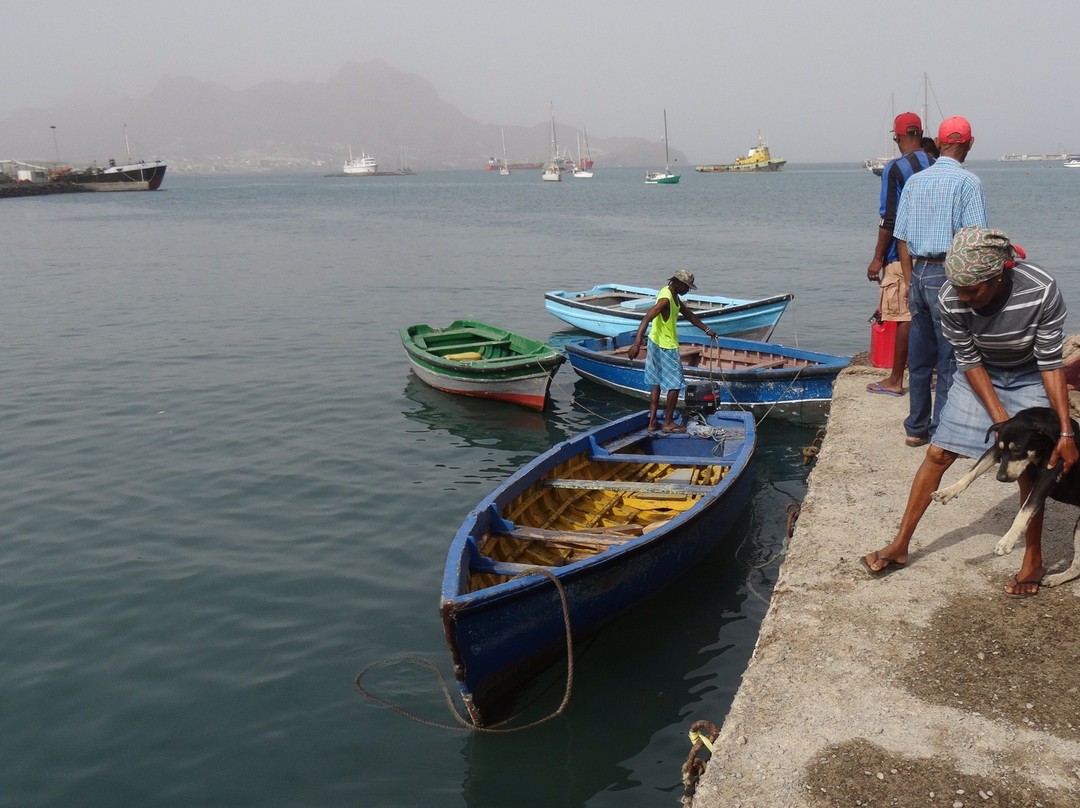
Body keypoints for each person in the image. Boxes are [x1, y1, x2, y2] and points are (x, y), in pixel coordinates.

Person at [862, 227, 1076, 597]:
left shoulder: (1040, 290)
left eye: (972, 290)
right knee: (938, 453)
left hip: (1030, 372)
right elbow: (969, 359)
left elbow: (1050, 363)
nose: (963, 296)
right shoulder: (950, 297)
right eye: (958, 288)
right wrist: (1001, 421)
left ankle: (1033, 559)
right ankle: (900, 545)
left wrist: (1065, 432)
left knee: (1028, 466)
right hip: (981, 372)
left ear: (999, 275)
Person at [893, 115, 988, 447]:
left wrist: (908, 279)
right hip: (949, 274)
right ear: (969, 144)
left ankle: (915, 429)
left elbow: (900, 237)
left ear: (940, 142)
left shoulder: (916, 181)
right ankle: (941, 433)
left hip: (918, 273)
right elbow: (974, 240)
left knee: (919, 359)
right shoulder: (968, 183)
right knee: (950, 359)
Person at [865, 112, 935, 397]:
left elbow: (889, 219)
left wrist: (878, 258)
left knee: (905, 316)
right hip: (934, 253)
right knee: (930, 315)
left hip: (902, 255)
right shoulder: (936, 163)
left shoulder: (896, 168)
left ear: (897, 138)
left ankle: (895, 379)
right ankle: (932, 374)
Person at [627, 269, 718, 433]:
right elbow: (646, 318)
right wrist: (636, 344)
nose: (687, 290)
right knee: (675, 384)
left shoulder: (671, 294)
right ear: (678, 284)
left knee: (656, 383)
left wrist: (707, 329)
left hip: (655, 342)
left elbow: (689, 314)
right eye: (687, 287)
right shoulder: (666, 299)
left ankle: (653, 422)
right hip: (666, 346)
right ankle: (668, 422)